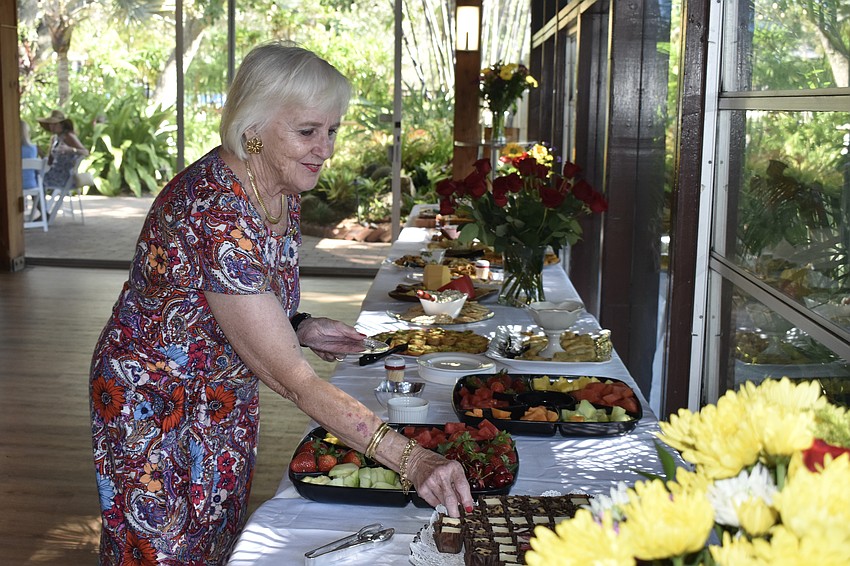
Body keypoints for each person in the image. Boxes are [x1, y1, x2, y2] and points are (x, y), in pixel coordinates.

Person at [89, 41, 473, 564]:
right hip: (156, 400)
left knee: (217, 536)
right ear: (253, 128)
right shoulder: (217, 209)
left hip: (221, 389)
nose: (327, 148)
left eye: (332, 130)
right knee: (163, 550)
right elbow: (294, 379)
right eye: (308, 131)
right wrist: (411, 460)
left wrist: (300, 324)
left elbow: (241, 297)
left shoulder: (279, 187)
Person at [37, 109, 88, 190]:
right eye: (50, 124)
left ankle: (40, 202)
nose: (51, 127)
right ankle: (41, 202)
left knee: (37, 179)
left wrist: (70, 149)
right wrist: (40, 152)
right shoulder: (54, 139)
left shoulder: (69, 136)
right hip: (53, 173)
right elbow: (49, 162)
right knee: (34, 176)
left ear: (62, 125)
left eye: (54, 124)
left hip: (65, 177)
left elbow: (85, 152)